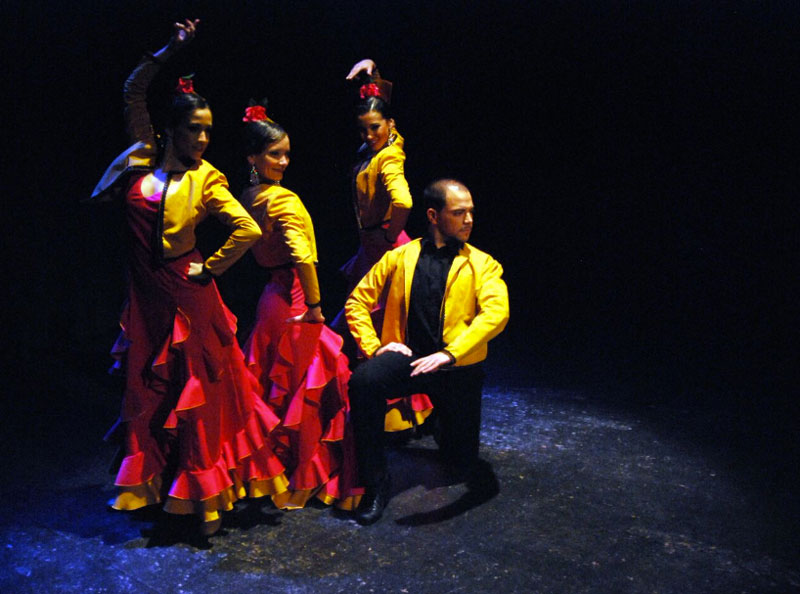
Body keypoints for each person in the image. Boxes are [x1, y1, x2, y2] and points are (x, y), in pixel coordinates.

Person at [90, 20, 287, 536]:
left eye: (208, 130)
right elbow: (133, 90)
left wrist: (211, 266)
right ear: (171, 128)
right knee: (152, 394)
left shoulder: (207, 178)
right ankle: (159, 489)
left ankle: (202, 502)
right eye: (194, 128)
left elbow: (246, 229)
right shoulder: (143, 155)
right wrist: (169, 49)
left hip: (188, 298)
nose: (201, 138)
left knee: (195, 397)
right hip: (146, 300)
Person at [345, 179, 510, 525]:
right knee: (364, 382)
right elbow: (357, 301)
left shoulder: (483, 264)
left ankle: (441, 423)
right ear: (434, 216)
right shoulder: (400, 257)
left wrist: (451, 354)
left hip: (456, 369)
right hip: (409, 359)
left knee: (460, 464)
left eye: (471, 212)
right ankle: (375, 482)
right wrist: (376, 347)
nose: (469, 220)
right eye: (459, 213)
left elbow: (496, 313)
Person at [238, 104, 360, 510]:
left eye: (287, 153)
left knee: (280, 387)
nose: (284, 161)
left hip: (270, 299)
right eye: (275, 154)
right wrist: (315, 305)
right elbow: (303, 257)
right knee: (305, 391)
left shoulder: (248, 196)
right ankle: (305, 475)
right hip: (293, 298)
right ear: (253, 158)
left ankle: (276, 470)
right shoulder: (282, 201)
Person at [334, 58, 432, 434]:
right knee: (371, 328)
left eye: (375, 127)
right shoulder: (382, 145)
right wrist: (373, 75)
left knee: (382, 332)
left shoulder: (389, 155)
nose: (369, 134)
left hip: (384, 250)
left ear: (389, 125)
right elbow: (382, 112)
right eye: (363, 129)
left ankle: (393, 416)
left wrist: (390, 236)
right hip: (372, 249)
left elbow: (403, 200)